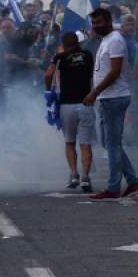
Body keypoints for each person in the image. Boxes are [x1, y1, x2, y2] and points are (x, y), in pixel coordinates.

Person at [85, 7, 138, 200]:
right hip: (107, 98)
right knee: (110, 143)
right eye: (93, 23)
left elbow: (115, 71)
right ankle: (133, 182)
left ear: (109, 21)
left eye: (99, 22)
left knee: (112, 144)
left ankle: (113, 188)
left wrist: (95, 91)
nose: (96, 26)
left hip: (114, 97)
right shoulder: (106, 40)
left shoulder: (116, 40)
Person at [45, 31, 95, 193]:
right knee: (85, 143)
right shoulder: (87, 55)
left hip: (67, 105)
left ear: (64, 44)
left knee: (69, 142)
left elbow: (48, 74)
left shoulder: (59, 57)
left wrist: (48, 89)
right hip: (86, 102)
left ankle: (74, 174)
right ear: (78, 43)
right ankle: (85, 177)